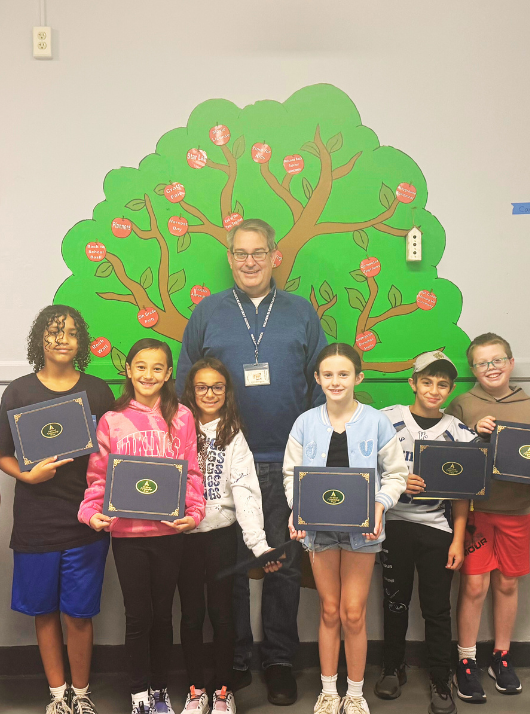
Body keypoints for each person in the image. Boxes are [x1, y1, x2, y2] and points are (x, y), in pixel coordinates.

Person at [178, 218, 327, 705]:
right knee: (235, 568)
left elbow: (321, 383)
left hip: (287, 460)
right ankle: (236, 659)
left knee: (281, 565)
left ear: (274, 256)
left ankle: (279, 660)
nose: (249, 262)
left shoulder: (302, 313)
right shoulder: (208, 312)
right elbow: (185, 385)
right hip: (221, 459)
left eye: (258, 252)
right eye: (240, 253)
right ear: (230, 256)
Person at [0, 305, 115, 714]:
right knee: (44, 611)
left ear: (81, 343)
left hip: (86, 520)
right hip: (36, 519)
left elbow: (113, 454)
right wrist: (27, 477)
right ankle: (58, 696)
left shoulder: (99, 391)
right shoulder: (19, 391)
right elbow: (0, 453)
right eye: (54, 332)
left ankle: (81, 696)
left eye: (71, 333)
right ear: (39, 340)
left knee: (79, 614)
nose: (62, 339)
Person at [79, 339, 205, 714]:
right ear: (128, 371)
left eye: (157, 368)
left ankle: (160, 690)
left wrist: (194, 511)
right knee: (138, 616)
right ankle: (138, 694)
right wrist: (91, 511)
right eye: (141, 367)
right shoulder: (112, 421)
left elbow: (192, 471)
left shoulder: (182, 417)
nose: (148, 375)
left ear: (168, 374)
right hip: (128, 536)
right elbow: (98, 476)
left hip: (169, 534)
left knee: (163, 614)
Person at [284, 344, 409, 714]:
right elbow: (292, 476)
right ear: (318, 378)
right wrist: (298, 510)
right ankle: (328, 691)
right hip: (318, 531)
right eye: (328, 375)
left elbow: (396, 474)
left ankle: (354, 693)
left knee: (353, 613)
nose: (335, 381)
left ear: (358, 377)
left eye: (343, 374)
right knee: (329, 610)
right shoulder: (305, 423)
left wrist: (379, 505)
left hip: (363, 531)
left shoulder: (376, 422)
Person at [444, 332, 530, 701]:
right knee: (474, 586)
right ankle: (466, 660)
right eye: (483, 362)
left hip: (518, 511)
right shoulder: (462, 404)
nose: (492, 367)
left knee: (507, 584)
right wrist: (473, 433)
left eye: (498, 360)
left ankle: (501, 656)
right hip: (475, 512)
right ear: (472, 368)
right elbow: (447, 458)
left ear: (511, 362)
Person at [178, 357, 281, 714]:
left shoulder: (232, 434)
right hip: (182, 537)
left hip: (221, 537)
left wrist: (260, 545)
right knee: (191, 615)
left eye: (217, 387)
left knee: (223, 615)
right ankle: (195, 690)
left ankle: (222, 691)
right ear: (190, 391)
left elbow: (245, 491)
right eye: (202, 387)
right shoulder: (176, 426)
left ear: (227, 392)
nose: (209, 393)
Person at [375, 350, 475, 714]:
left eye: (443, 384)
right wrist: (396, 484)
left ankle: (440, 676)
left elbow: (464, 492)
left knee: (436, 608)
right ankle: (392, 666)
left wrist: (458, 540)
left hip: (436, 528)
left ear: (449, 389)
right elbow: (363, 470)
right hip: (393, 525)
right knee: (394, 601)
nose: (434, 390)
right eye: (427, 382)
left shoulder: (458, 433)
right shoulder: (385, 421)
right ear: (413, 383)